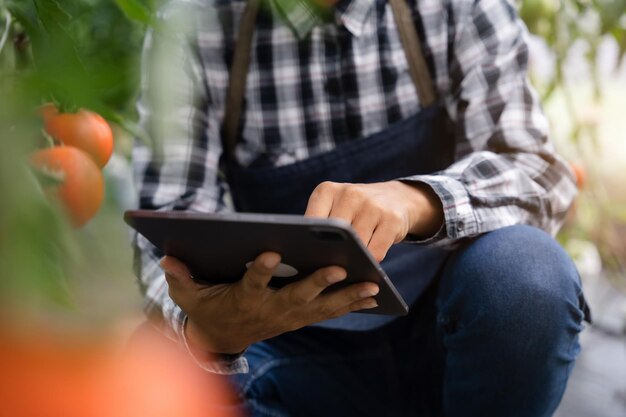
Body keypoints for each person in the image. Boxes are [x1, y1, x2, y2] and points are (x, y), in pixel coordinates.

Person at [132, 0, 590, 414]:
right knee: (154, 380)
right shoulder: (192, 25)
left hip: (450, 333)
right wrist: (210, 331)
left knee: (529, 279)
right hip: (286, 357)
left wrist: (416, 200)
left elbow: (536, 171)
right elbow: (170, 220)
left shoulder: (455, 7)